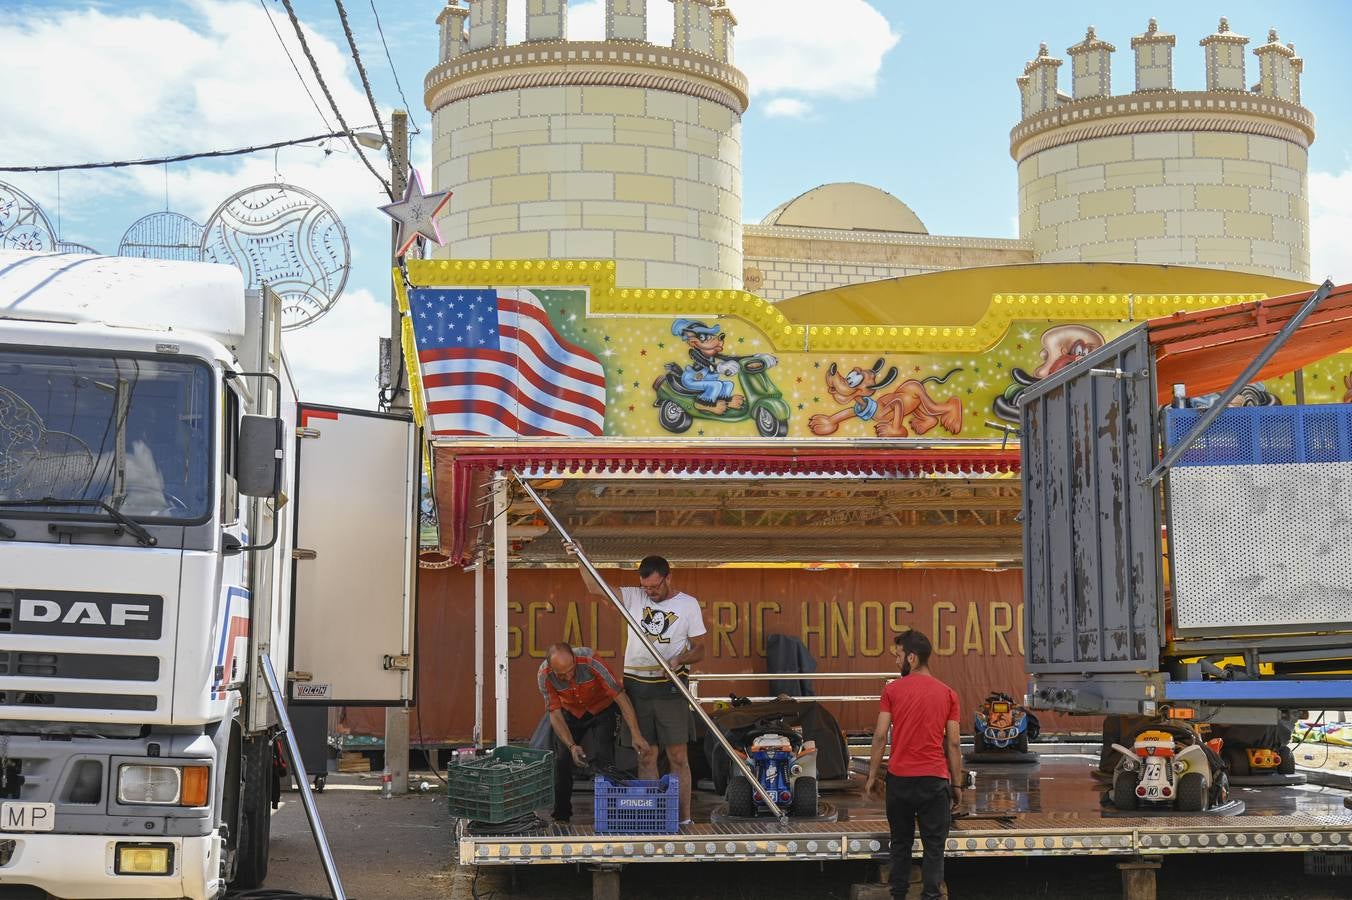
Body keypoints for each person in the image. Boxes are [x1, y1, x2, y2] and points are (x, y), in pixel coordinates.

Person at [587, 554, 706, 824]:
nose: (649, 592)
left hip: (671, 686)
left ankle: (684, 820)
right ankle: (653, 818)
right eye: (646, 587)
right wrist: (579, 559)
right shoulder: (634, 597)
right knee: (646, 754)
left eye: (654, 587)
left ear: (668, 578)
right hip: (637, 685)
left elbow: (700, 649)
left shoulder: (688, 605)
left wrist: (678, 660)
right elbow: (595, 587)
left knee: (677, 755)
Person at [863, 631, 962, 900]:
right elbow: (953, 744)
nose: (896, 662)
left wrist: (872, 776)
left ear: (912, 658)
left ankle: (898, 896)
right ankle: (931, 895)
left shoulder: (892, 690)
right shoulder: (948, 694)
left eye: (898, 656)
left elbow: (880, 735)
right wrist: (956, 783)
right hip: (934, 781)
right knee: (933, 848)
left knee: (901, 845)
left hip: (900, 781)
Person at [538, 642, 649, 824]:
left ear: (574, 659)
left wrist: (636, 734)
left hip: (602, 708)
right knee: (561, 760)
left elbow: (620, 696)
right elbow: (555, 714)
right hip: (570, 712)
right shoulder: (544, 676)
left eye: (571, 670)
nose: (568, 677)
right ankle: (561, 816)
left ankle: (610, 814)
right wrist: (572, 746)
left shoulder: (590, 661)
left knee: (605, 759)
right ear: (551, 668)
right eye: (561, 675)